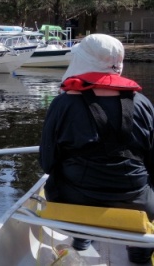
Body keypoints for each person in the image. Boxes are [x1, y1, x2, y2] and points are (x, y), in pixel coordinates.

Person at [39, 33, 154, 263]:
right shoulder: (143, 104)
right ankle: (140, 251)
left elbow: (47, 163)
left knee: (60, 178)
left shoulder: (62, 104)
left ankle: (81, 239)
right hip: (138, 203)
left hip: (74, 201)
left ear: (84, 62)